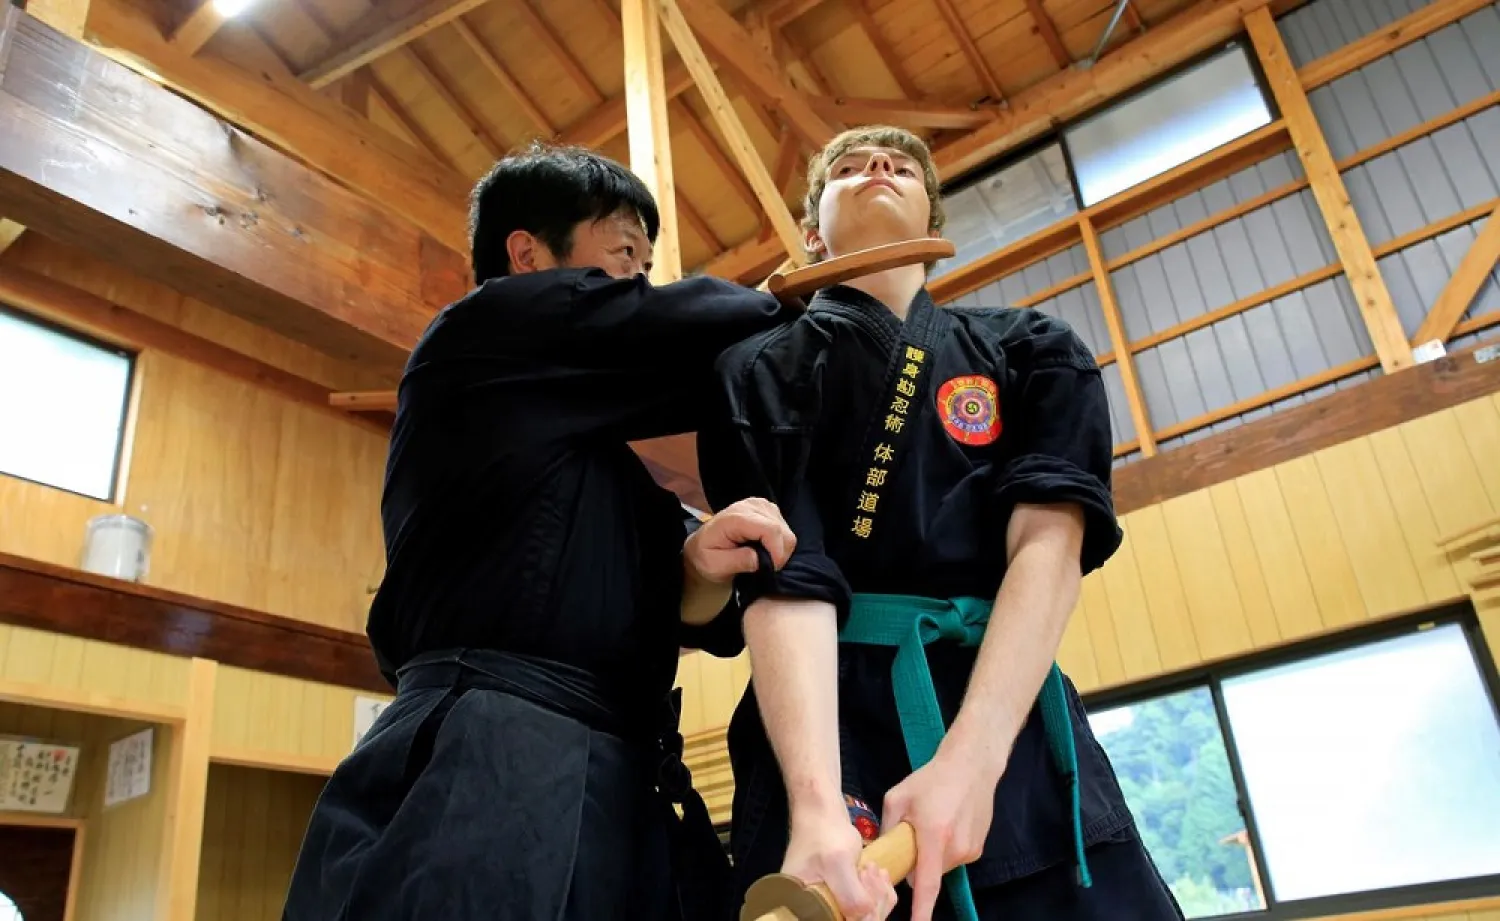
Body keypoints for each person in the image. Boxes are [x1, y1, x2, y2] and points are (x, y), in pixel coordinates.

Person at [280, 142, 896, 921]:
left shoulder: (587, 442)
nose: (641, 280)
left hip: (612, 758)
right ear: (527, 253)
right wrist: (836, 294)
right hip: (495, 745)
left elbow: (679, 613)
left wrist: (698, 572)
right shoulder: (483, 328)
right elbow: (701, 328)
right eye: (624, 255)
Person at [698, 126, 1185, 921]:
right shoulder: (759, 368)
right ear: (814, 232)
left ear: (932, 222)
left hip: (1004, 718)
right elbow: (789, 578)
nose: (878, 169)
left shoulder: (1029, 350)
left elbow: (1048, 545)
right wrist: (818, 807)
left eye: (899, 166)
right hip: (829, 726)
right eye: (849, 169)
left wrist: (972, 759)